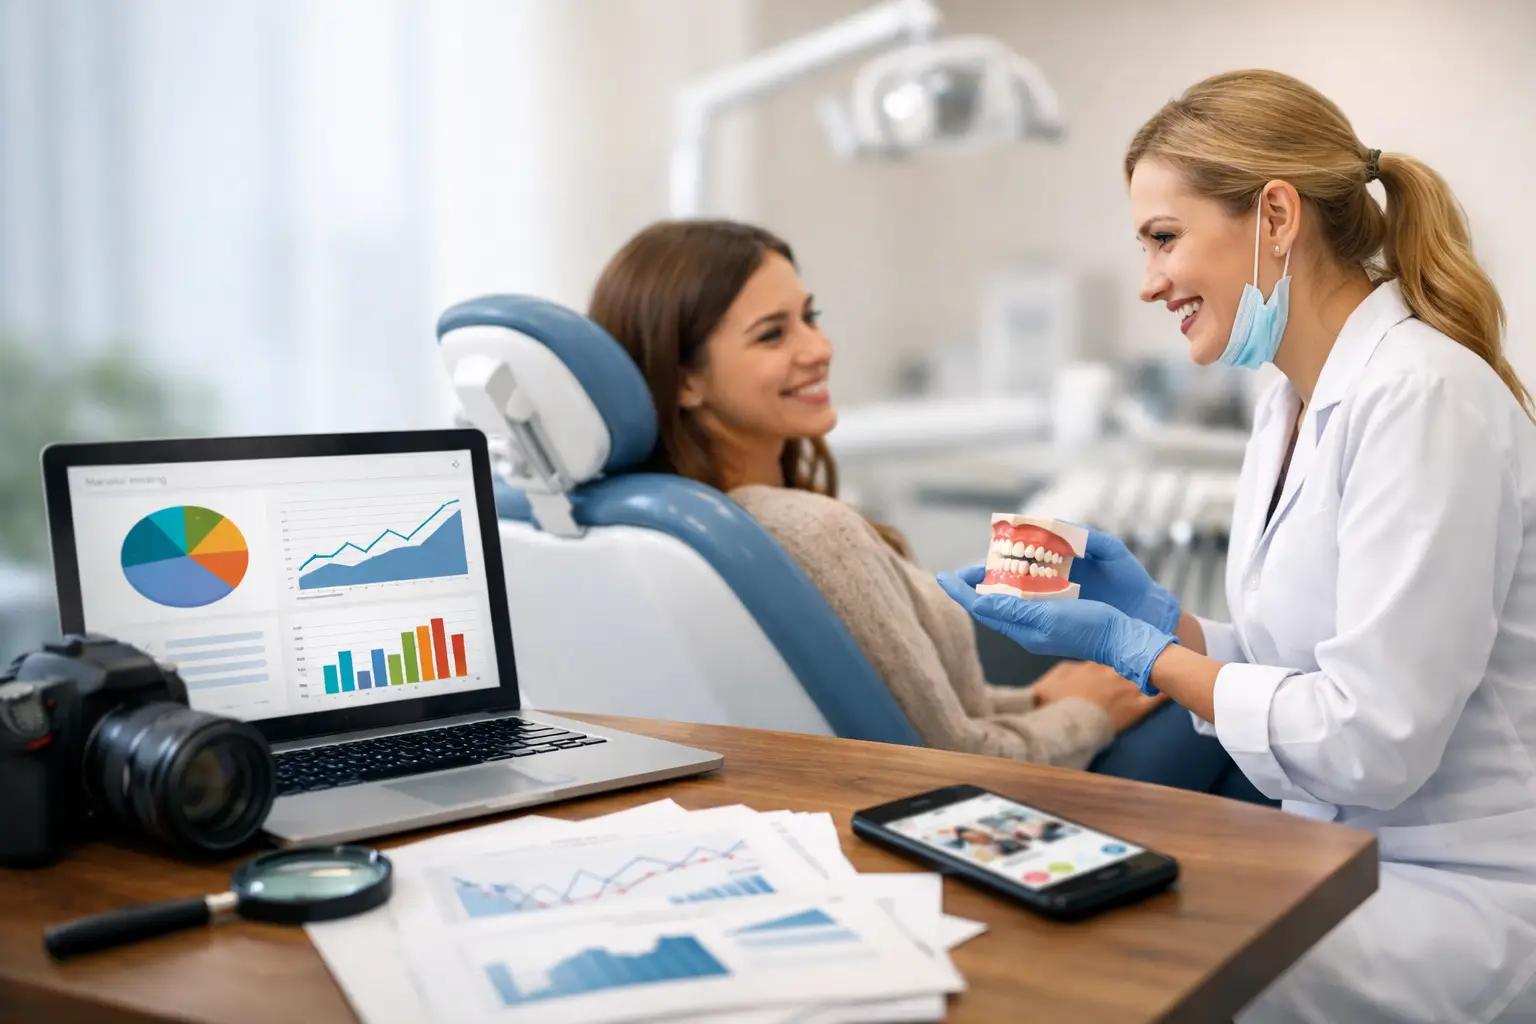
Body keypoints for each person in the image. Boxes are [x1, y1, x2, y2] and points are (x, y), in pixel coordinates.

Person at [940, 69, 1536, 1022]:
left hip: (1454, 895)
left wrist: (1147, 657)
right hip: (1341, 860)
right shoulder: (1289, 402)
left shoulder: (1422, 398)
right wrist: (1166, 624)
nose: (1148, 283)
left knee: (1118, 973)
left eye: (1164, 239)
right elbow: (1301, 665)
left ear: (1275, 214)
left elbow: (1371, 738)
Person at [588, 218, 1259, 791]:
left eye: (809, 318)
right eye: (772, 335)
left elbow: (894, 701)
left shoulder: (670, 522)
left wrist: (1033, 700)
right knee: (1224, 709)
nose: (817, 348)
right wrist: (1091, 714)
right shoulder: (811, 529)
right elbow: (954, 759)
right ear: (686, 380)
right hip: (991, 796)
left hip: (931, 764)